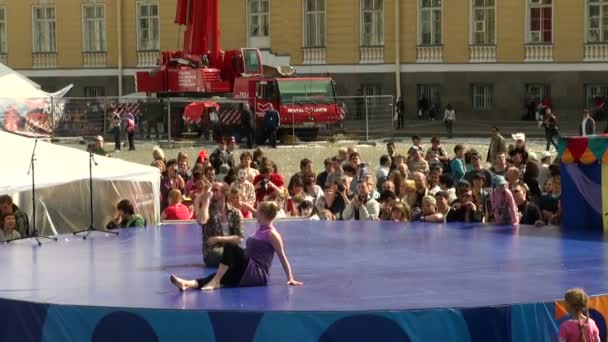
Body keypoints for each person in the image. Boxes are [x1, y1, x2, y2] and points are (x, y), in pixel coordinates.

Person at [170, 201, 303, 290]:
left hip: (257, 272)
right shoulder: (262, 226)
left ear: (263, 214)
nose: (256, 214)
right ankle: (186, 284)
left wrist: (290, 278)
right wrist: (249, 207)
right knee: (220, 275)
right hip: (246, 270)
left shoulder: (272, 234)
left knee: (231, 246)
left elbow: (282, 256)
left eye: (259, 212)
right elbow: (258, 212)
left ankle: (215, 281)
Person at [194, 182, 245, 267]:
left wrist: (218, 239)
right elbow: (202, 220)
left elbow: (239, 238)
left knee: (246, 254)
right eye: (211, 189)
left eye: (215, 190)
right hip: (212, 253)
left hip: (231, 250)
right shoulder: (207, 210)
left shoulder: (235, 212)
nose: (211, 192)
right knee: (234, 258)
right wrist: (206, 200)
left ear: (224, 192)